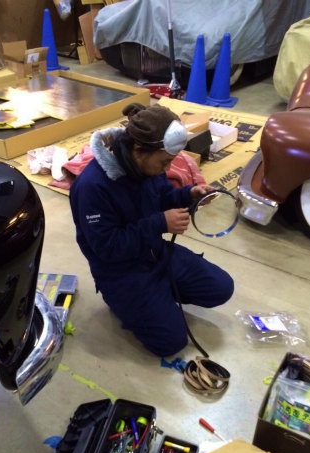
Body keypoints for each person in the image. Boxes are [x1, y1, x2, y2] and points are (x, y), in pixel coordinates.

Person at [69, 102, 234, 357]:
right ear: (138, 150)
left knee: (222, 287)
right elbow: (107, 248)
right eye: (165, 162)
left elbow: (162, 196)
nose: (167, 169)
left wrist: (188, 194)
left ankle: (158, 297)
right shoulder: (92, 187)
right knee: (171, 343)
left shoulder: (147, 166)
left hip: (155, 252)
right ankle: (125, 301)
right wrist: (160, 223)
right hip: (122, 273)